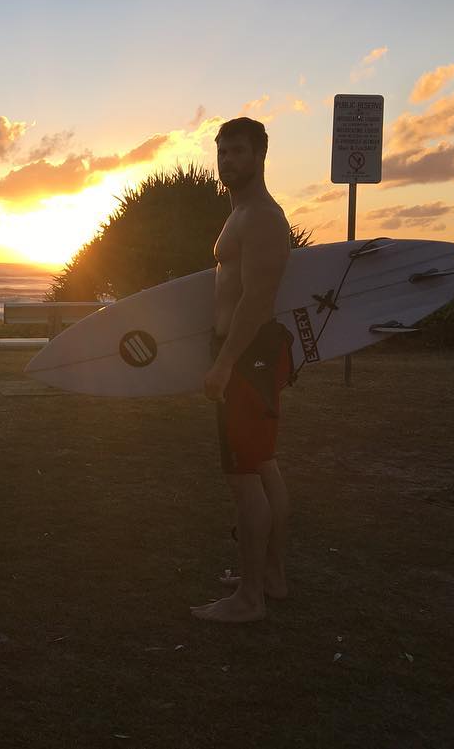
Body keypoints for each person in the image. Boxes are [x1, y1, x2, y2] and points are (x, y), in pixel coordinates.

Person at [191, 117, 294, 623]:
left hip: (248, 357)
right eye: (222, 151)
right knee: (264, 466)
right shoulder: (241, 213)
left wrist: (224, 363)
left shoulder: (263, 218)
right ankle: (269, 577)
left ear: (260, 156)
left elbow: (257, 299)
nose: (227, 160)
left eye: (237, 151)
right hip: (250, 356)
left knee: (244, 477)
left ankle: (249, 599)